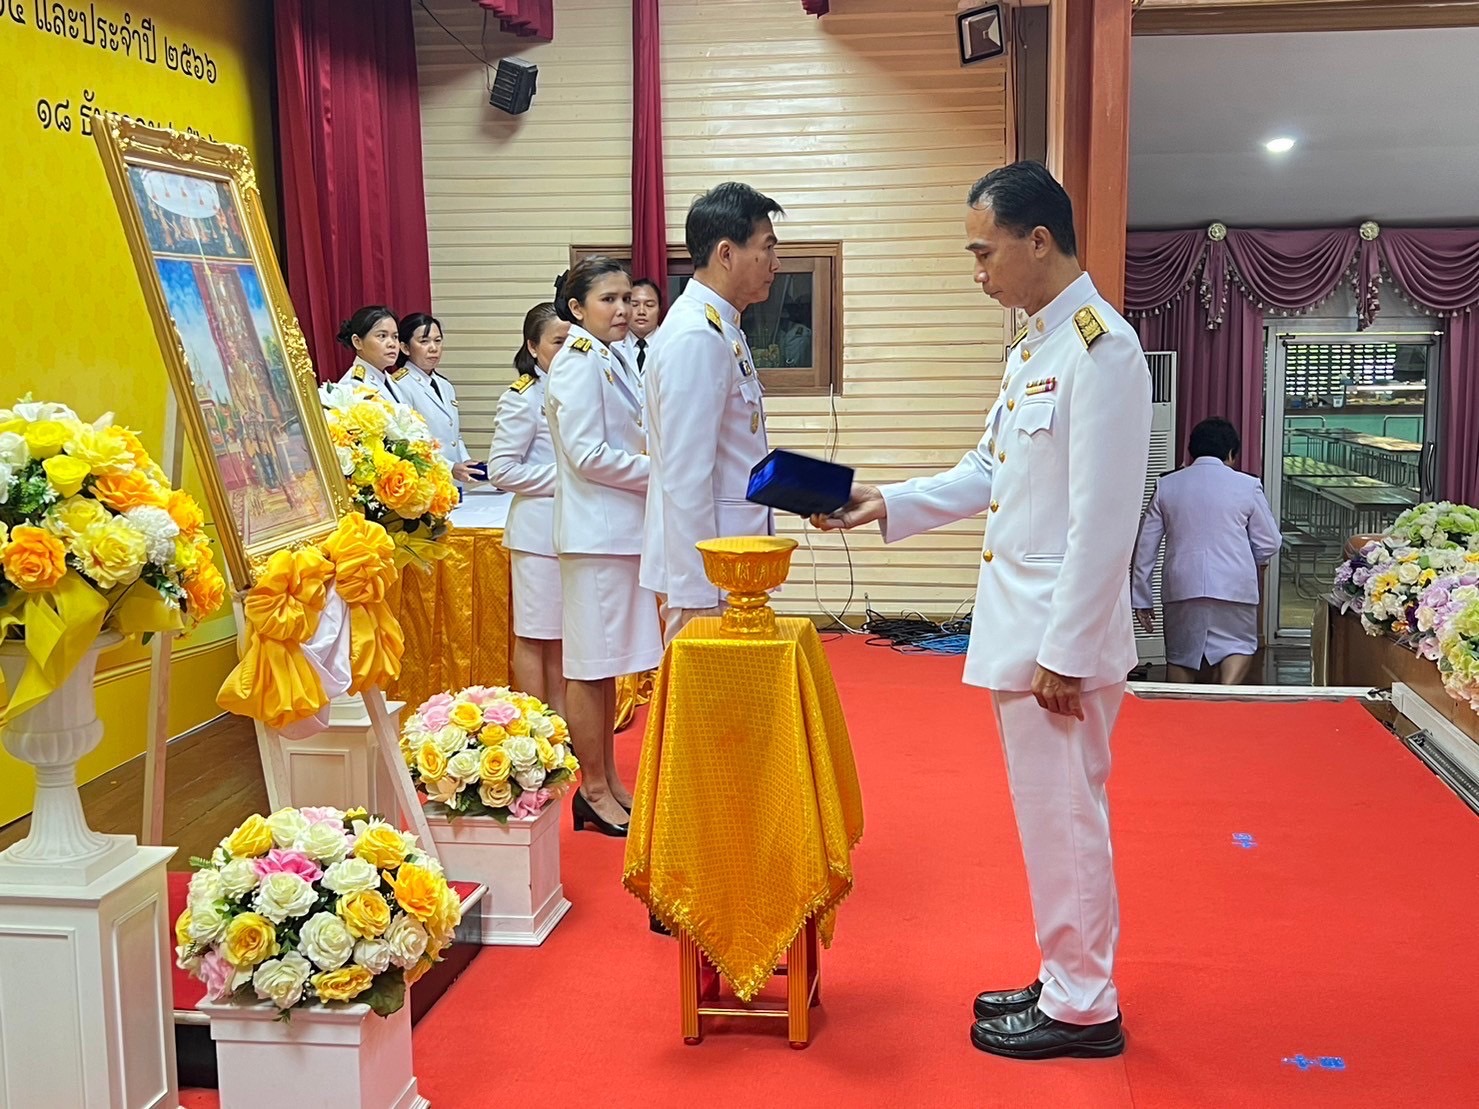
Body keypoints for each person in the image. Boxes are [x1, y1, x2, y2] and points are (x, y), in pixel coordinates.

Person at [816, 161, 1150, 1060]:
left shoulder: (1100, 349)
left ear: (1037, 241)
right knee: (1048, 818)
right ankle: (1065, 973)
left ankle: (1083, 1005)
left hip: (1057, 640)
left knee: (1066, 817)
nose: (976, 272)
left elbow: (1103, 518)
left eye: (982, 251)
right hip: (1027, 628)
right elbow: (989, 469)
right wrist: (886, 500)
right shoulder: (1037, 348)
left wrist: (1066, 649)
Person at [545, 258, 661, 837]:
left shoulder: (609, 357)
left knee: (608, 668)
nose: (622, 310)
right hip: (595, 535)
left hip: (617, 532)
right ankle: (590, 789)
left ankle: (609, 779)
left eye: (626, 298)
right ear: (577, 309)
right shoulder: (576, 361)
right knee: (590, 668)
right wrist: (658, 470)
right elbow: (588, 454)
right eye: (608, 300)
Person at [641, 182, 783, 643]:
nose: (776, 264)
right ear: (726, 253)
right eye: (767, 248)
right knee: (709, 688)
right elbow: (685, 475)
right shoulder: (696, 336)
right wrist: (698, 589)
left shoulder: (722, 327)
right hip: (713, 573)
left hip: (733, 565)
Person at [1132, 417, 1280, 685]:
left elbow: (1145, 547)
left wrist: (1142, 598)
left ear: (1192, 450)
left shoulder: (1167, 485)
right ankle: (1224, 694)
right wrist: (1248, 561)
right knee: (1238, 646)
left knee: (1181, 656)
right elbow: (1270, 541)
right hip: (1235, 585)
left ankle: (1180, 709)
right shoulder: (1247, 485)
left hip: (1182, 587)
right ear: (1231, 453)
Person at [488, 303, 570, 719]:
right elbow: (502, 470)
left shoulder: (573, 388)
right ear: (533, 347)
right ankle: (535, 724)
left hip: (571, 530)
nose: (566, 351)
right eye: (557, 343)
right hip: (537, 533)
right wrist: (567, 478)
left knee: (561, 637)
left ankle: (561, 724)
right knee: (535, 634)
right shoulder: (523, 398)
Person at [396, 313, 478, 483]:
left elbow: (455, 436)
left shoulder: (445, 385)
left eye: (438, 340)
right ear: (405, 348)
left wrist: (466, 463)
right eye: (424, 341)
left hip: (452, 483)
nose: (433, 348)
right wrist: (450, 467)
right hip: (423, 481)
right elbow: (408, 442)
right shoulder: (400, 385)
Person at [337, 305, 404, 402]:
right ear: (357, 342)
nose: (392, 344)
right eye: (382, 336)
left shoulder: (390, 379)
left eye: (395, 337)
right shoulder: (352, 386)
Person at [616, 277, 664, 381]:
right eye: (634, 305)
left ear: (659, 310)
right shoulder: (613, 345)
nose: (641, 311)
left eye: (649, 305)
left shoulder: (670, 344)